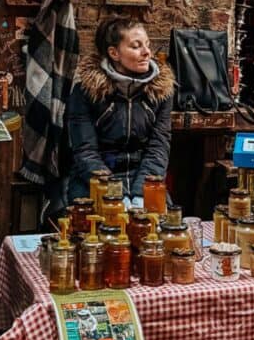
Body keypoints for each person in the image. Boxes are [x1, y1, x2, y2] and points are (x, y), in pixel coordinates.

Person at [66, 16, 174, 206]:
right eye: (136, 46)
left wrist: (141, 194)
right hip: (95, 181)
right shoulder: (86, 91)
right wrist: (116, 196)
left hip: (145, 178)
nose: (147, 52)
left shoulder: (161, 91)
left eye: (147, 45)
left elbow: (158, 147)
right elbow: (85, 151)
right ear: (114, 53)